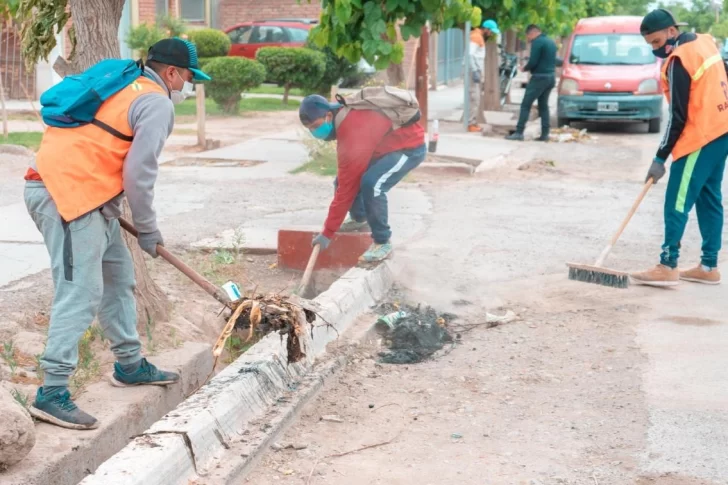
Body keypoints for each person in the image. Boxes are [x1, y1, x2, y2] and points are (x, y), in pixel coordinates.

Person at [23, 38, 210, 429]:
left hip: (86, 197)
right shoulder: (156, 102)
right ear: (172, 72)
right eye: (189, 77)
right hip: (66, 197)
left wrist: (109, 204)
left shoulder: (125, 82)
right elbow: (139, 176)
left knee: (118, 279)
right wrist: (147, 228)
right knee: (82, 292)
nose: (188, 85)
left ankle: (129, 364)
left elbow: (98, 141)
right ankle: (52, 391)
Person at [631, 9, 728, 286]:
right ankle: (709, 267)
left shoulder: (679, 60)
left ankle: (668, 263)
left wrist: (660, 158)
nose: (655, 48)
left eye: (656, 42)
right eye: (650, 44)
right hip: (722, 129)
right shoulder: (705, 43)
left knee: (677, 199)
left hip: (700, 136)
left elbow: (677, 116)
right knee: (709, 198)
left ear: (672, 32)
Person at [298, 91, 426, 263]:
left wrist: (327, 233)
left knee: (372, 184)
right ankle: (359, 218)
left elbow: (346, 191)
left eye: (315, 126)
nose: (315, 132)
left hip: (409, 147)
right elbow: (346, 181)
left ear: (328, 115)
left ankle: (382, 242)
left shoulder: (351, 128)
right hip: (384, 148)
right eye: (310, 129)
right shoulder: (340, 116)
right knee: (343, 181)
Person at [506, 24, 557, 141]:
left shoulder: (537, 42)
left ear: (532, 33)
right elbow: (553, 60)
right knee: (543, 106)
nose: (528, 39)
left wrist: (525, 68)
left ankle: (519, 132)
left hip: (539, 78)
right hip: (550, 78)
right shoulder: (550, 42)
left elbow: (533, 61)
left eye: (527, 36)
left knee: (525, 105)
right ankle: (545, 134)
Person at [467, 19, 500, 132]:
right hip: (473, 72)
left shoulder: (478, 36)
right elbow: (470, 55)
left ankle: (473, 123)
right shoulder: (476, 37)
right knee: (474, 98)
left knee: (475, 98)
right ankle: (470, 124)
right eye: (491, 31)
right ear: (486, 29)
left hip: (474, 71)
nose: (491, 34)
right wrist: (475, 70)